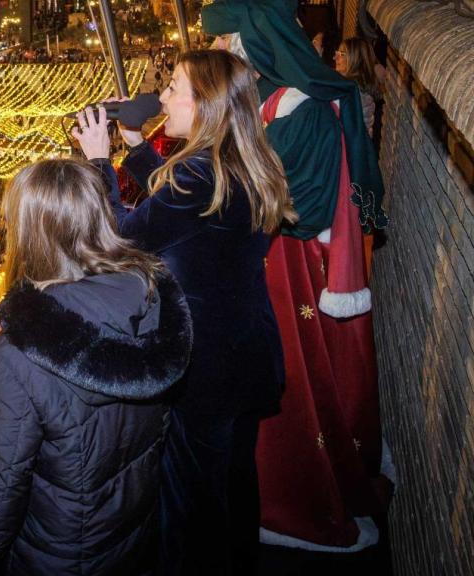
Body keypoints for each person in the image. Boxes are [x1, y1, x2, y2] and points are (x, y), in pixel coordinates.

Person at [72, 49, 296, 574]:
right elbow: (185, 210)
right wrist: (133, 147)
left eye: (174, 87)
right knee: (235, 489)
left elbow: (122, 238)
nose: (163, 95)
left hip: (206, 370)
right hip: (247, 353)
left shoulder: (198, 174)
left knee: (190, 507)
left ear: (207, 105)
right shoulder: (240, 161)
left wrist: (100, 162)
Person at [202, 0, 389, 558]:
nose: (214, 51)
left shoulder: (299, 112)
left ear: (250, 48)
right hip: (279, 273)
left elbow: (299, 211)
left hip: (295, 279)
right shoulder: (272, 106)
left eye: (221, 41)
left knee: (298, 395)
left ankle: (301, 499)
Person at [0, 158, 193, 575]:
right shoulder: (150, 298)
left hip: (55, 558)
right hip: (131, 534)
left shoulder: (16, 357)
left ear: (28, 234)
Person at [335, 37, 382, 138]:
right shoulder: (354, 87)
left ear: (355, 59)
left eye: (342, 54)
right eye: (337, 53)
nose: (336, 58)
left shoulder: (352, 91)